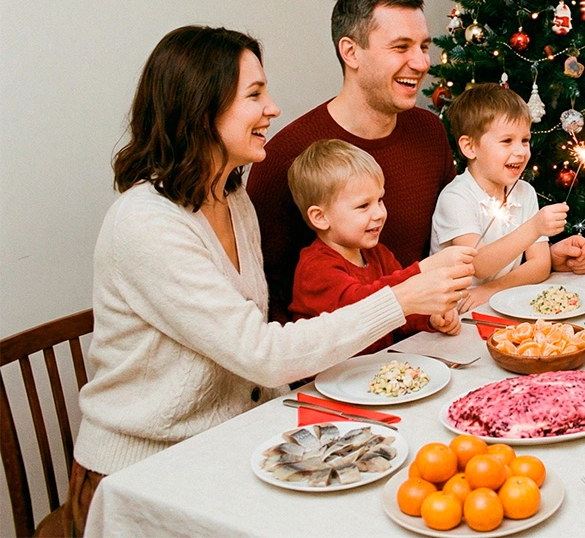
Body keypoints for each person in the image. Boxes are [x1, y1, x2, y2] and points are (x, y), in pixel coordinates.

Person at [67, 27, 474, 533]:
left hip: (229, 438)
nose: (273, 109)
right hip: (145, 470)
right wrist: (401, 295)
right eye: (254, 95)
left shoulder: (232, 199)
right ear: (201, 110)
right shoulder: (147, 224)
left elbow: (256, 359)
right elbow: (260, 351)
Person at [247, 0, 585, 323]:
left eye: (424, 46)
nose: (422, 63)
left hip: (432, 331)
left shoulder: (428, 130)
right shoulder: (286, 154)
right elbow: (269, 293)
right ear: (351, 52)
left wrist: (539, 255)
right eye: (401, 47)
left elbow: (454, 239)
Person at [287, 139, 462, 354]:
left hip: (375, 371)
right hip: (331, 379)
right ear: (320, 217)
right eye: (363, 206)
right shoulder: (315, 268)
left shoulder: (377, 253)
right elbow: (359, 308)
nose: (379, 213)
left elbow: (401, 311)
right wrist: (421, 271)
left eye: (380, 200)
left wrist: (430, 317)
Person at [431, 84, 572, 312]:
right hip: (456, 313)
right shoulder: (456, 198)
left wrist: (491, 291)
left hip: (502, 301)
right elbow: (480, 265)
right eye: (507, 141)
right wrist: (534, 228)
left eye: (525, 140)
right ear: (469, 147)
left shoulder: (524, 192)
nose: (520, 151)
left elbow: (540, 265)